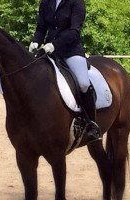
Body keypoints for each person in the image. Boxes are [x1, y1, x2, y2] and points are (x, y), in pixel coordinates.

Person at [29, 0, 100, 142]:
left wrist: (54, 44)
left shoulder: (77, 2)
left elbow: (74, 31)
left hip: (71, 51)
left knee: (83, 83)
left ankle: (91, 124)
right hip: (48, 51)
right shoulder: (46, 2)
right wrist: (36, 41)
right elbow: (41, 28)